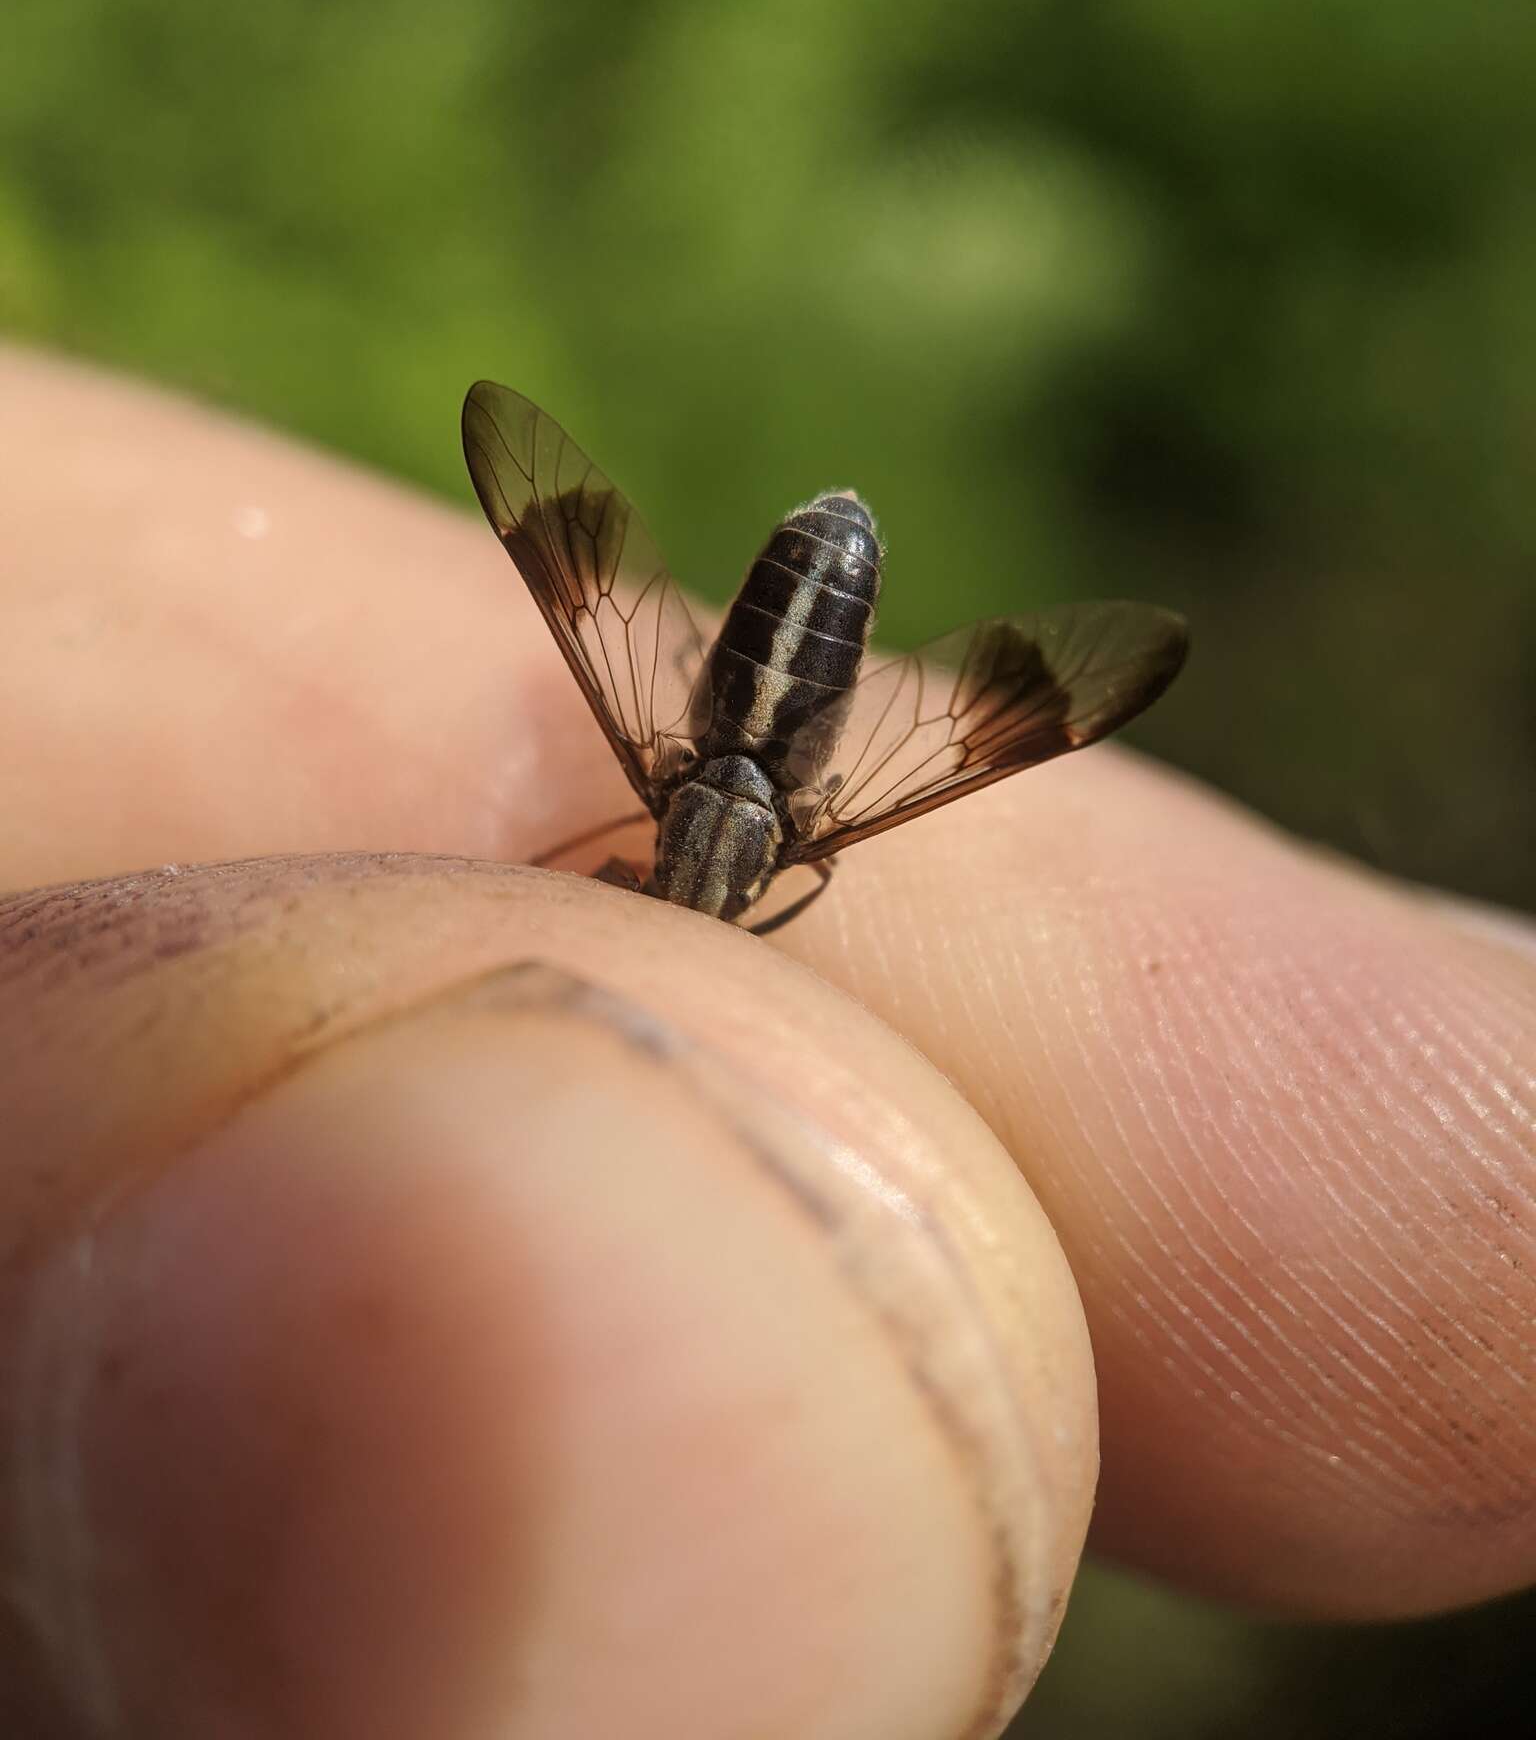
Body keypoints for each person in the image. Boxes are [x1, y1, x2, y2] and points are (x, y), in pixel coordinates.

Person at [2, 347, 1532, 1739]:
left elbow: (604, 599)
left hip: (763, 694)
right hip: (774, 720)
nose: (679, 893)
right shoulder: (787, 835)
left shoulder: (698, 806)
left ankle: (807, 581)